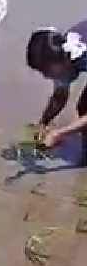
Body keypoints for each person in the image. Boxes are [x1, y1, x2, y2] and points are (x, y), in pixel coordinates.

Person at [26, 23, 87, 162]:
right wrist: (44, 123)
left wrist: (59, 134)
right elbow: (59, 97)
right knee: (83, 107)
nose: (46, 76)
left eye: (46, 71)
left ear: (61, 62)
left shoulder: (79, 57)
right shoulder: (61, 49)